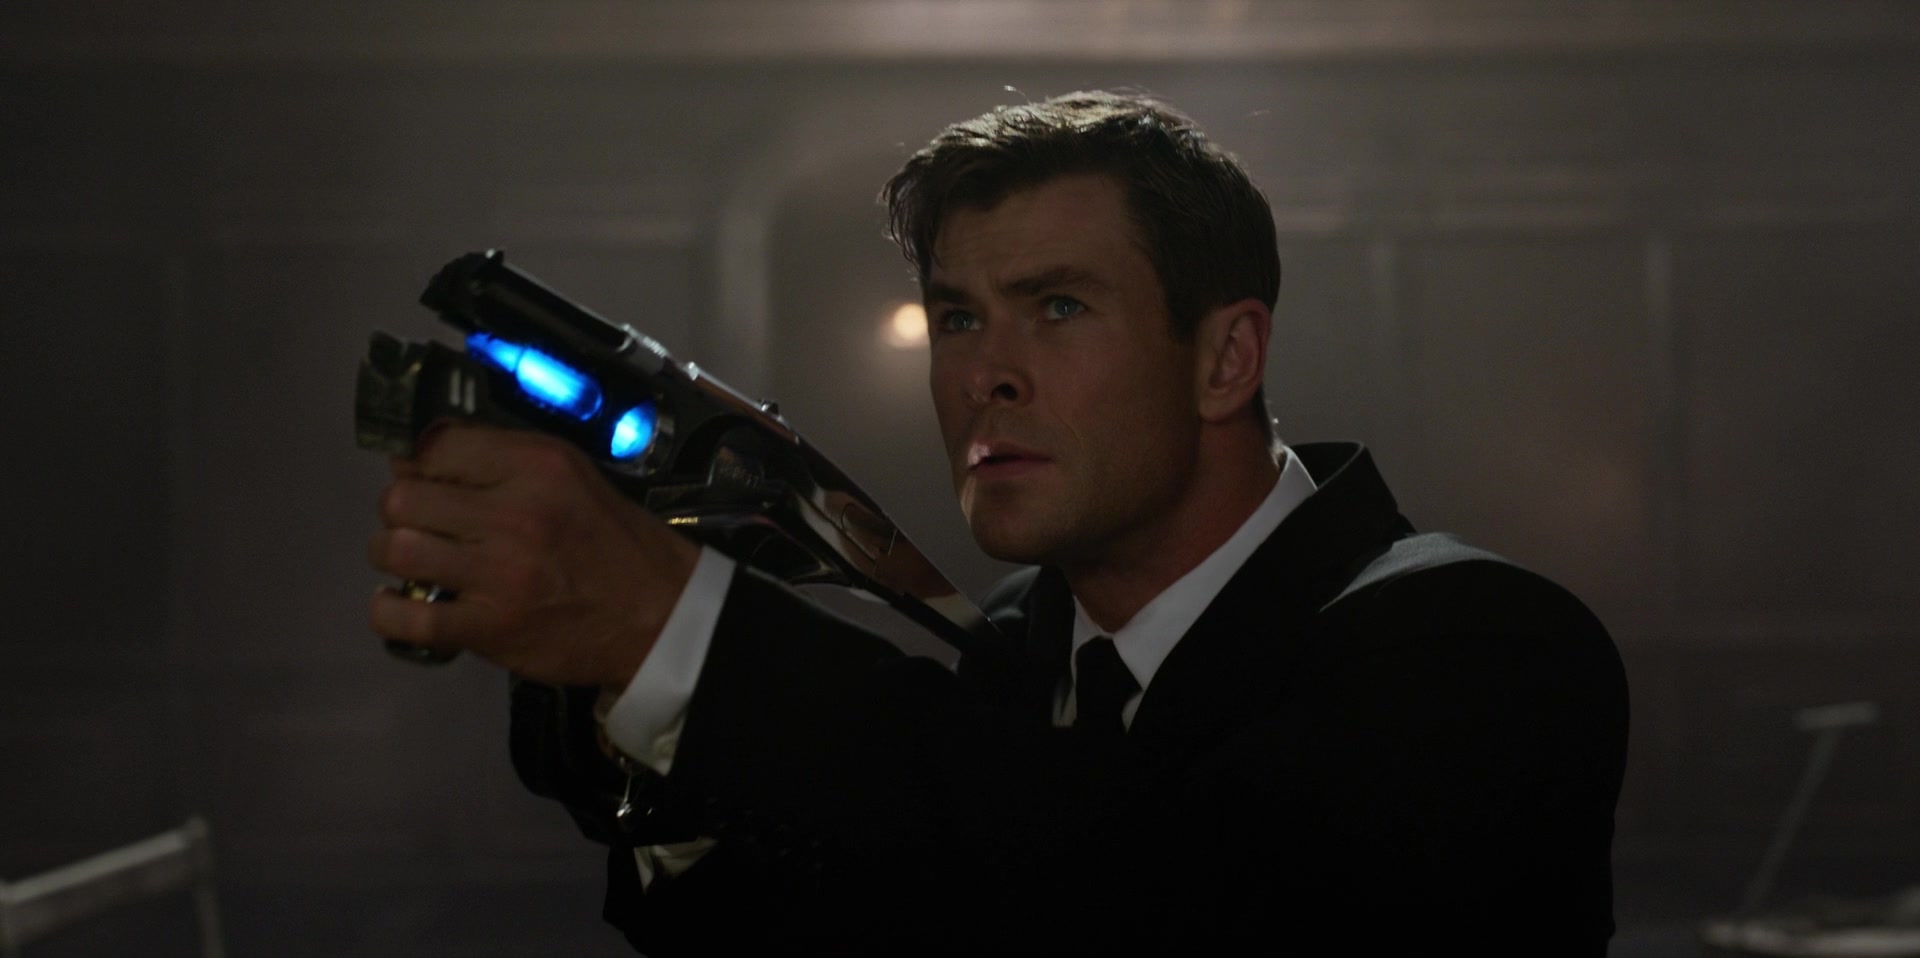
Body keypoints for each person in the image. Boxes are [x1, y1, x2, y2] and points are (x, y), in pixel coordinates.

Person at [368, 91, 1629, 954]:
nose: (985, 373)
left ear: (1226, 358)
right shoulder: (1014, 644)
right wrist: (621, 676)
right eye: (958, 318)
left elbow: (1152, 900)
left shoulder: (1486, 646)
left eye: (1059, 307)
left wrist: (674, 629)